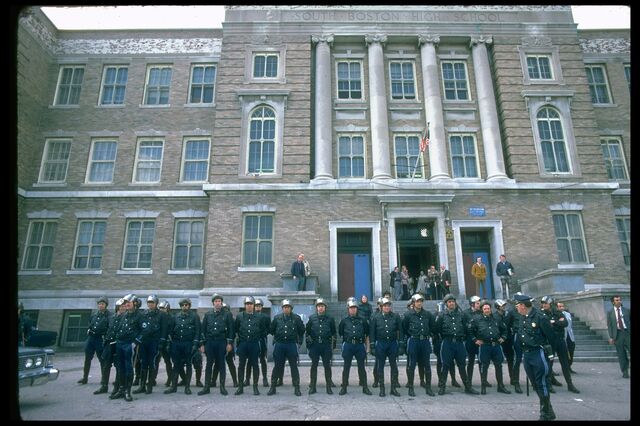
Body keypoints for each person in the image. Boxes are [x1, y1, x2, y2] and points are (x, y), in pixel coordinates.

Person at [513, 293, 557, 421]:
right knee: (535, 384)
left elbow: (551, 338)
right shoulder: (522, 317)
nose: (516, 308)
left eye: (517, 305)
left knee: (541, 383)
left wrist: (549, 355)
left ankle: (544, 413)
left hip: (538, 353)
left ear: (522, 306)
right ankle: (549, 409)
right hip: (527, 355)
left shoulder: (540, 318)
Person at [435, 294, 479, 396]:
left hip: (459, 343)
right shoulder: (442, 315)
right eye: (449, 302)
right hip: (447, 342)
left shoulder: (461, 315)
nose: (452, 303)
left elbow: (466, 328)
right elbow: (437, 329)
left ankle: (468, 387)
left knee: (462, 365)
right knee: (445, 365)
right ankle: (442, 387)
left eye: (453, 302)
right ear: (446, 304)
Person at [469, 300, 511, 395]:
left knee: (499, 366)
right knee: (484, 366)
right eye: (485, 309)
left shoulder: (496, 318)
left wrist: (503, 337)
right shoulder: (476, 319)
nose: (487, 310)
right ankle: (483, 387)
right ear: (482, 310)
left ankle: (501, 386)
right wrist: (475, 340)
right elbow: (470, 330)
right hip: (485, 346)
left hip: (496, 345)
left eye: (488, 308)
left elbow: (504, 329)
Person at [540, 296, 579, 394]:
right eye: (543, 303)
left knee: (565, 363)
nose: (544, 305)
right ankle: (549, 384)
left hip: (560, 340)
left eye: (546, 303)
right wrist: (557, 322)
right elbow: (545, 326)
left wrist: (553, 322)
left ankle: (570, 384)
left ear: (551, 304)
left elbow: (565, 323)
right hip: (550, 341)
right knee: (549, 363)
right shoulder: (541, 314)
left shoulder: (557, 312)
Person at [267, 299, 305, 396]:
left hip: (291, 344)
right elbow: (271, 330)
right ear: (282, 308)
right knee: (277, 366)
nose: (286, 309)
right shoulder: (277, 318)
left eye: (288, 307)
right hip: (280, 345)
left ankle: (296, 387)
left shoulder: (296, 318)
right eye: (284, 307)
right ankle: (273, 387)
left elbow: (301, 331)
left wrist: (299, 343)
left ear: (291, 308)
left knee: (294, 367)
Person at [198, 294, 234, 396]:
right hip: (210, 342)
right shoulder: (208, 315)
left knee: (221, 364)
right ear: (213, 303)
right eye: (216, 301)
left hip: (221, 342)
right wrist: (202, 344)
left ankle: (222, 387)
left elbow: (231, 330)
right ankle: (206, 387)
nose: (218, 303)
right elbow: (203, 330)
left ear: (221, 303)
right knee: (209, 365)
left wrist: (229, 343)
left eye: (219, 301)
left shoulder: (227, 314)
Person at [132, 294, 168, 395]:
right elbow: (140, 328)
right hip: (144, 342)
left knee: (152, 363)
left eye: (152, 302)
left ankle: (150, 386)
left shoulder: (162, 315)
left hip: (154, 342)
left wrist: (162, 342)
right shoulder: (143, 314)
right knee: (143, 363)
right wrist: (138, 340)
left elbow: (164, 330)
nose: (150, 304)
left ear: (156, 303)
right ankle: (142, 385)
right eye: (149, 302)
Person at [164, 298, 201, 395]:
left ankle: (187, 387)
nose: (185, 306)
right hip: (177, 343)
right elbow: (171, 331)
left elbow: (197, 331)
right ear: (180, 306)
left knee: (188, 365)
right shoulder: (175, 316)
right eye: (183, 305)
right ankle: (173, 386)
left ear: (189, 306)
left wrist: (195, 344)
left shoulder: (194, 316)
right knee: (176, 365)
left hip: (188, 343)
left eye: (186, 305)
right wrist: (169, 343)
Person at [402, 293, 437, 396]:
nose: (419, 303)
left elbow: (432, 327)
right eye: (417, 301)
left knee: (427, 365)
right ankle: (411, 388)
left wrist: (427, 334)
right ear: (413, 303)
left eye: (421, 301)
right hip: (413, 341)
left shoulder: (427, 314)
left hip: (425, 342)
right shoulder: (408, 315)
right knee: (411, 365)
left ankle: (428, 388)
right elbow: (405, 328)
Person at [113, 293, 143, 402]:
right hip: (120, 343)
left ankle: (128, 391)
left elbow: (143, 331)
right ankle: (121, 389)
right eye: (125, 303)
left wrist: (136, 342)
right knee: (120, 367)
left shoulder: (140, 316)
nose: (126, 305)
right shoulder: (124, 315)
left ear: (135, 303)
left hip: (129, 344)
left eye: (128, 302)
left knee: (129, 367)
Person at [369, 297, 402, 397]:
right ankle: (382, 388)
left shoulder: (396, 316)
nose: (387, 307)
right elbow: (372, 333)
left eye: (388, 306)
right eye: (385, 306)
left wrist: (401, 345)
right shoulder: (375, 317)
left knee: (394, 366)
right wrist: (372, 346)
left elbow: (400, 331)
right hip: (381, 344)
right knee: (380, 367)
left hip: (392, 344)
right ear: (381, 307)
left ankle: (393, 388)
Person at [338, 299, 372, 395]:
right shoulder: (344, 321)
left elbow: (366, 333)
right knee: (346, 367)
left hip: (359, 345)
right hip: (348, 345)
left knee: (361, 367)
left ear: (357, 309)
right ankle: (344, 387)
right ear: (348, 309)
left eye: (354, 308)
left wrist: (367, 347)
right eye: (351, 308)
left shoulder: (363, 320)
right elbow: (341, 332)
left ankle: (365, 387)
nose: (353, 310)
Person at [234, 296, 265, 396]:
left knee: (255, 365)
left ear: (253, 305)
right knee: (241, 365)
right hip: (243, 343)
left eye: (251, 304)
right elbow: (236, 329)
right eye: (247, 304)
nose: (249, 306)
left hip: (254, 343)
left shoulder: (259, 317)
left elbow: (263, 330)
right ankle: (240, 387)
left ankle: (255, 387)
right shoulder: (239, 316)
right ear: (244, 305)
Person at [305, 298, 337, 395]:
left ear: (325, 308)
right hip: (315, 345)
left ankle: (328, 387)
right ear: (316, 308)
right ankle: (313, 386)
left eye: (322, 306)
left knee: (327, 366)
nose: (320, 308)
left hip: (326, 345)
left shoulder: (330, 319)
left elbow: (333, 333)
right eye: (319, 306)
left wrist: (333, 345)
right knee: (313, 366)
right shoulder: (312, 318)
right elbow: (307, 332)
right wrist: (309, 343)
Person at [78, 296, 112, 386]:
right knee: (87, 358)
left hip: (100, 339)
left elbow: (110, 328)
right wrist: (89, 330)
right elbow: (90, 324)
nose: (101, 306)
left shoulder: (109, 316)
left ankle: (103, 379)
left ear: (106, 305)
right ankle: (85, 377)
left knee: (102, 359)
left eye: (103, 304)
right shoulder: (94, 315)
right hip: (91, 338)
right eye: (99, 304)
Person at [607, 295, 630, 378]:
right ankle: (625, 371)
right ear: (613, 302)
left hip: (627, 333)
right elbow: (609, 326)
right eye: (617, 300)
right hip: (618, 335)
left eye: (620, 300)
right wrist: (611, 337)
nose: (619, 301)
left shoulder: (627, 310)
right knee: (621, 354)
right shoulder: (610, 313)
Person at [556, 301, 577, 374]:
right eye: (560, 306)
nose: (561, 308)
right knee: (563, 353)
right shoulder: (555, 315)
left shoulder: (568, 314)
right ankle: (565, 368)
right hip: (561, 336)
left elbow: (569, 325)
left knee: (571, 351)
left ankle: (569, 366)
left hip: (570, 335)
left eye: (562, 306)